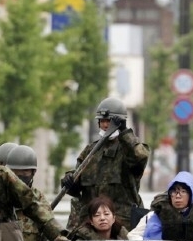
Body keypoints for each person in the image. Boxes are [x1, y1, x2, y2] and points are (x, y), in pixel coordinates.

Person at [61, 97, 150, 230]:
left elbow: (140, 157)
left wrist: (125, 133)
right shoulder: (90, 151)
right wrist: (69, 180)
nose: (105, 125)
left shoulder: (128, 149)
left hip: (121, 226)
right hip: (91, 225)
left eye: (109, 121)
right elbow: (78, 184)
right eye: (102, 121)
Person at [139, 171, 193, 241]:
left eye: (183, 191)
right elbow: (148, 240)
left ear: (191, 195)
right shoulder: (158, 213)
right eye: (174, 192)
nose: (178, 196)